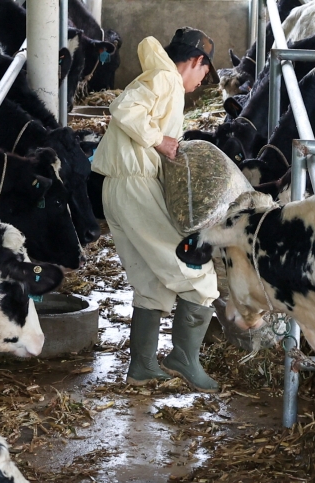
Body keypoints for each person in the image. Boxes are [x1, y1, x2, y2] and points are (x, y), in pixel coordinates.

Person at [91, 28, 222, 392]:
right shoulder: (166, 78)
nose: (202, 81)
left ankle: (143, 366)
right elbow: (124, 108)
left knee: (150, 281)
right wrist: (159, 140)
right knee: (198, 275)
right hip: (135, 185)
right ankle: (183, 359)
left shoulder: (160, 78)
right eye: (205, 72)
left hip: (119, 187)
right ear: (196, 60)